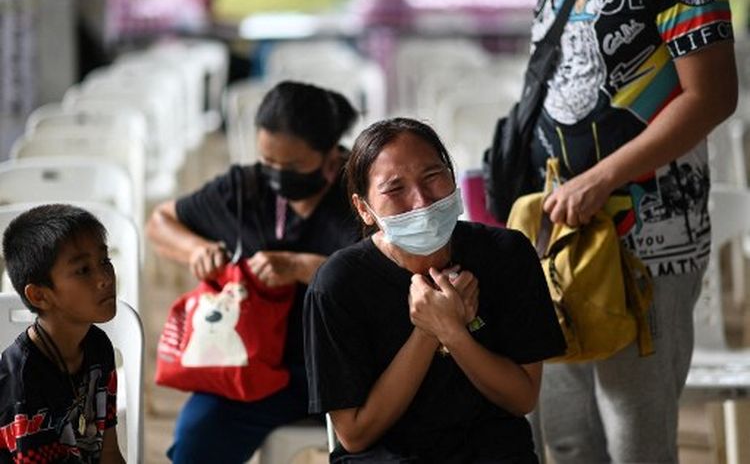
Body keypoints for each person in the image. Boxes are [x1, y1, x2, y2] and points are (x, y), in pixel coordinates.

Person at [525, 0, 738, 462]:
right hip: (560, 235)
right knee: (567, 434)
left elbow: (713, 96)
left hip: (650, 240)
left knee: (636, 438)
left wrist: (601, 178)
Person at [304, 117, 567, 463]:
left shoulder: (507, 254)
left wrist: (454, 335)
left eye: (432, 176)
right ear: (363, 209)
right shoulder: (338, 284)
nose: (421, 202)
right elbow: (354, 435)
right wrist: (428, 331)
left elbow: (521, 399)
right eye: (394, 189)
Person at [147, 80, 362, 463]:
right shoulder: (246, 190)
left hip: (347, 371)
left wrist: (303, 268)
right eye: (269, 162)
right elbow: (160, 222)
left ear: (331, 155)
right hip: (251, 368)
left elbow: (385, 277)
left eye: (293, 166)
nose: (278, 175)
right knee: (198, 439)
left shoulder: (361, 193)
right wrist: (197, 249)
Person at [0, 204, 124, 464]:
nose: (105, 278)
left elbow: (109, 454)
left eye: (105, 261)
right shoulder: (21, 382)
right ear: (39, 295)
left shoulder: (98, 347)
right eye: (83, 270)